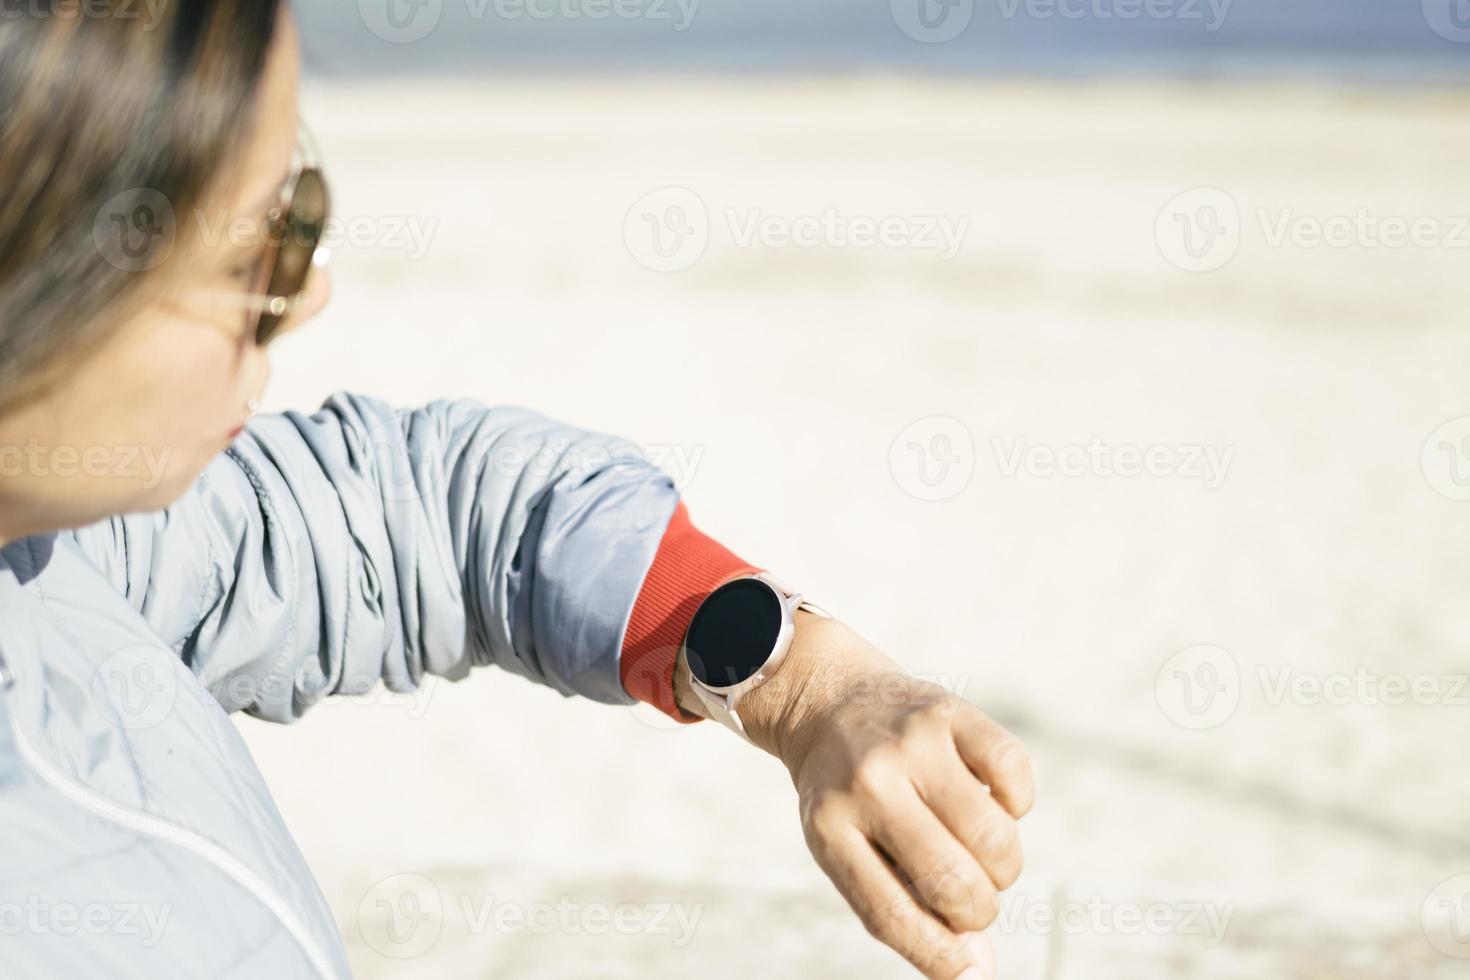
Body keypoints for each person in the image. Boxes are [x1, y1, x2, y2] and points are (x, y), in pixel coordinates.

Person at [0, 4, 1033, 978]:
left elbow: (429, 513)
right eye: (254, 252)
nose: (311, 290)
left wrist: (802, 680)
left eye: (299, 196)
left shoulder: (75, 552)